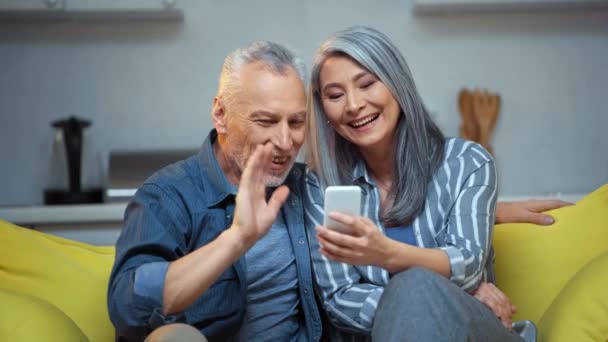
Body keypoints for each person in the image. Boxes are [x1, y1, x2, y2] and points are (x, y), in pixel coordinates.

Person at [303, 26, 550, 341]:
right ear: (323, 109)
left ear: (398, 85)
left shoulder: (466, 162)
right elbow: (340, 298)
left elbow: (469, 262)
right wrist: (438, 296)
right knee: (414, 288)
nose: (353, 105)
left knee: (416, 286)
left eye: (367, 84)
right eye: (335, 95)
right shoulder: (319, 186)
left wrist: (389, 255)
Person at [107, 41, 323, 342]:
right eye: (266, 121)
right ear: (220, 114)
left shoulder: (308, 189)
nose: (286, 142)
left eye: (296, 122)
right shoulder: (168, 195)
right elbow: (127, 308)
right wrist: (236, 239)